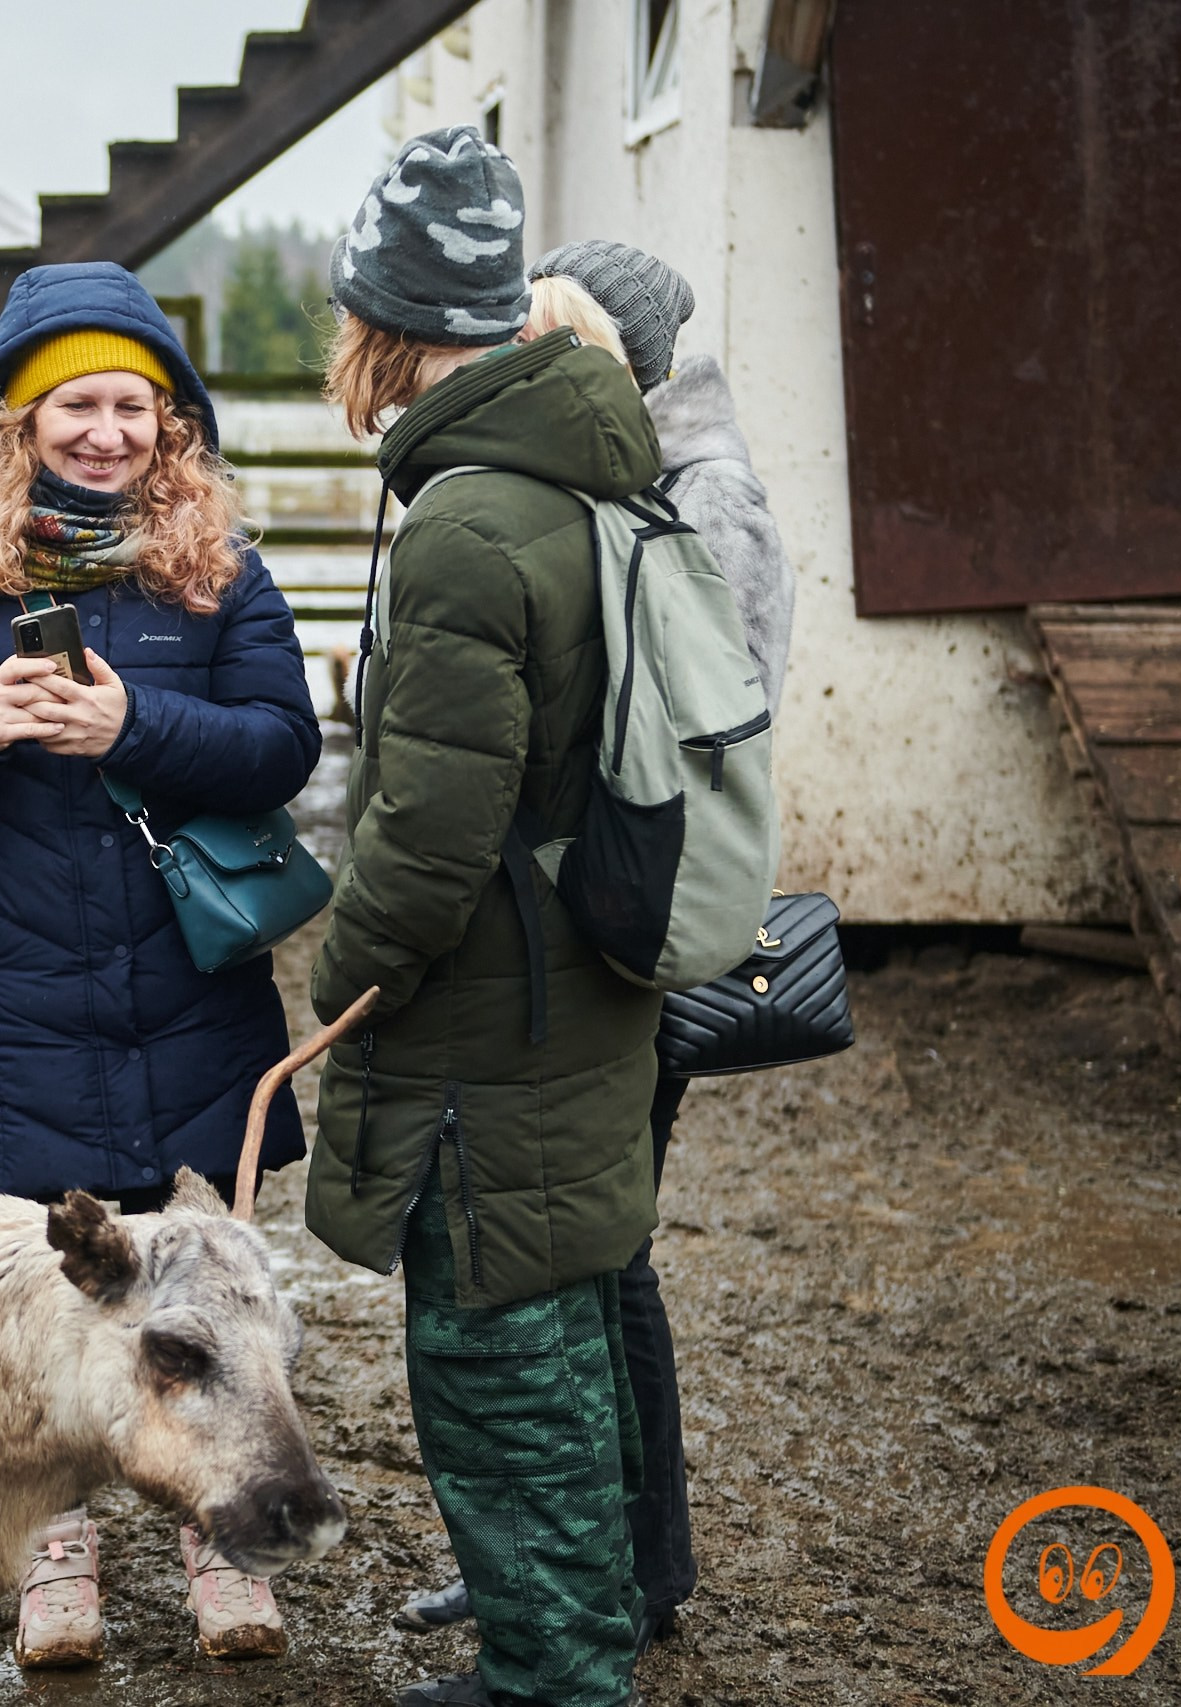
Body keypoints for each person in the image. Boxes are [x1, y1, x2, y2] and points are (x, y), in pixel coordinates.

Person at [0, 261, 322, 1669]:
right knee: (50, 1310)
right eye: (77, 406)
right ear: (18, 422)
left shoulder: (218, 568)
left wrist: (135, 728)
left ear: (172, 425)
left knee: (208, 1296)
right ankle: (57, 1563)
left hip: (186, 996)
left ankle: (227, 1551)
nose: (108, 433)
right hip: (8, 1003)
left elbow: (286, 742)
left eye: (134, 408)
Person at [303, 125, 663, 1707]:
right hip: (582, 974)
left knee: (496, 1365)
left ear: (382, 323)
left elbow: (431, 829)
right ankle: (572, 1646)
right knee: (565, 1327)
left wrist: (343, 970)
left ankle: (550, 1681)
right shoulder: (579, 470)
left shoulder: (465, 523)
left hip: (484, 1016)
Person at [394, 244, 797, 1657]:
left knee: (600, 1264)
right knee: (595, 1262)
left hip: (637, 933)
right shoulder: (629, 475)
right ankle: (590, 1565)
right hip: (595, 925)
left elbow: (701, 734)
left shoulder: (702, 497)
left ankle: (632, 1568)